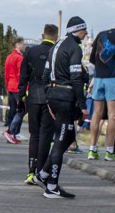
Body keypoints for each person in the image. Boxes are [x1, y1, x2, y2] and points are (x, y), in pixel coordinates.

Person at [35, 16, 89, 199]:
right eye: (84, 30)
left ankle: (42, 174)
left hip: (53, 94)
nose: (86, 34)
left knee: (68, 137)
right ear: (77, 30)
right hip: (65, 97)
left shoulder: (57, 45)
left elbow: (44, 75)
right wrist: (82, 105)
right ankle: (51, 186)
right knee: (60, 140)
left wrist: (48, 96)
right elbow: (75, 78)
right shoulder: (74, 47)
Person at [18, 24, 59, 185]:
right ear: (56, 36)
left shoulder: (30, 51)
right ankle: (41, 172)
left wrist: (21, 97)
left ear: (43, 35)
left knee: (34, 136)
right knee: (45, 137)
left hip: (33, 97)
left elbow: (23, 77)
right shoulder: (56, 52)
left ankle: (30, 171)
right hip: (50, 99)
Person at [88, 19, 115, 161]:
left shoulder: (100, 34)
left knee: (96, 114)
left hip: (98, 76)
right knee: (113, 115)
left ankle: (92, 150)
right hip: (113, 77)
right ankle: (110, 151)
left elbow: (92, 58)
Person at [3, 37, 25, 143]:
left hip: (10, 85)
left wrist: (7, 84)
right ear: (18, 45)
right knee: (21, 109)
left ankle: (11, 133)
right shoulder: (19, 58)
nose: (24, 46)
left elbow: (6, 73)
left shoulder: (9, 57)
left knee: (12, 110)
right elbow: (20, 74)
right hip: (17, 86)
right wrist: (24, 87)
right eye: (23, 44)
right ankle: (13, 132)